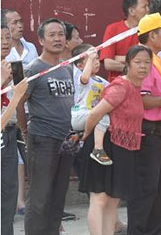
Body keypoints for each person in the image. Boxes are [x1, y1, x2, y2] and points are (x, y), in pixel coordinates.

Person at [78, 45, 148, 235]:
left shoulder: (135, 87)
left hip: (123, 147)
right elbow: (95, 113)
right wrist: (86, 135)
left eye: (147, 63)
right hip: (104, 144)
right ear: (127, 65)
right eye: (138, 62)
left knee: (113, 199)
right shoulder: (120, 86)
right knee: (100, 198)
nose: (143, 66)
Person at [17, 18, 75, 235]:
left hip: (65, 140)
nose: (58, 39)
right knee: (40, 198)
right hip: (42, 139)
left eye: (61, 34)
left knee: (58, 196)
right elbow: (20, 103)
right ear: (41, 40)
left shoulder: (66, 68)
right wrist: (25, 131)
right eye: (52, 35)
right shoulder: (33, 69)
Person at [128, 12, 161, 235]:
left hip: (160, 132)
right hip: (149, 132)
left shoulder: (155, 60)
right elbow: (142, 99)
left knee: (160, 189)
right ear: (152, 35)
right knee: (147, 190)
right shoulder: (145, 61)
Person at [1, 23, 28, 235]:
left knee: (9, 190)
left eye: (7, 38)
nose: (4, 42)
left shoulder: (13, 65)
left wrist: (22, 129)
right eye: (0, 38)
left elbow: (21, 101)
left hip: (10, 132)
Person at [70, 44, 112, 166]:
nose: (96, 62)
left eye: (97, 59)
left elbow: (114, 89)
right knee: (102, 116)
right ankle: (98, 149)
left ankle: (84, 136)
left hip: (90, 117)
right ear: (80, 66)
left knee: (102, 115)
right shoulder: (83, 79)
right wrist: (90, 56)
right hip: (79, 115)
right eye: (92, 60)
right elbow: (85, 77)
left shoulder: (101, 81)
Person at [100, 0, 149, 81]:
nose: (148, 10)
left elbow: (150, 58)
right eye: (144, 7)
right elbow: (108, 63)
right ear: (131, 11)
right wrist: (130, 70)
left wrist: (118, 57)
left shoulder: (148, 31)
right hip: (118, 84)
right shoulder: (113, 29)